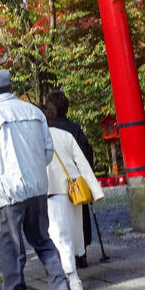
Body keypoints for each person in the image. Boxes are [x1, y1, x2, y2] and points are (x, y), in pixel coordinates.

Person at [0, 68, 79, 290]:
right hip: (37, 188)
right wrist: (35, 173)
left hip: (8, 190)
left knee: (12, 250)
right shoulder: (34, 112)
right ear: (11, 87)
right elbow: (47, 150)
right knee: (44, 241)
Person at [43, 103, 104, 290]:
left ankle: (71, 277)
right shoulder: (66, 135)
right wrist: (95, 190)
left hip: (52, 189)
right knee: (72, 233)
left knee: (60, 236)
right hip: (73, 188)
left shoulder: (35, 139)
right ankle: (70, 274)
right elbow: (83, 163)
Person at [45, 89, 95, 268]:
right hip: (74, 179)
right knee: (79, 217)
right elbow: (86, 152)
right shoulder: (74, 128)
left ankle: (64, 258)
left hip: (54, 182)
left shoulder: (46, 130)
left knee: (58, 222)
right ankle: (81, 253)